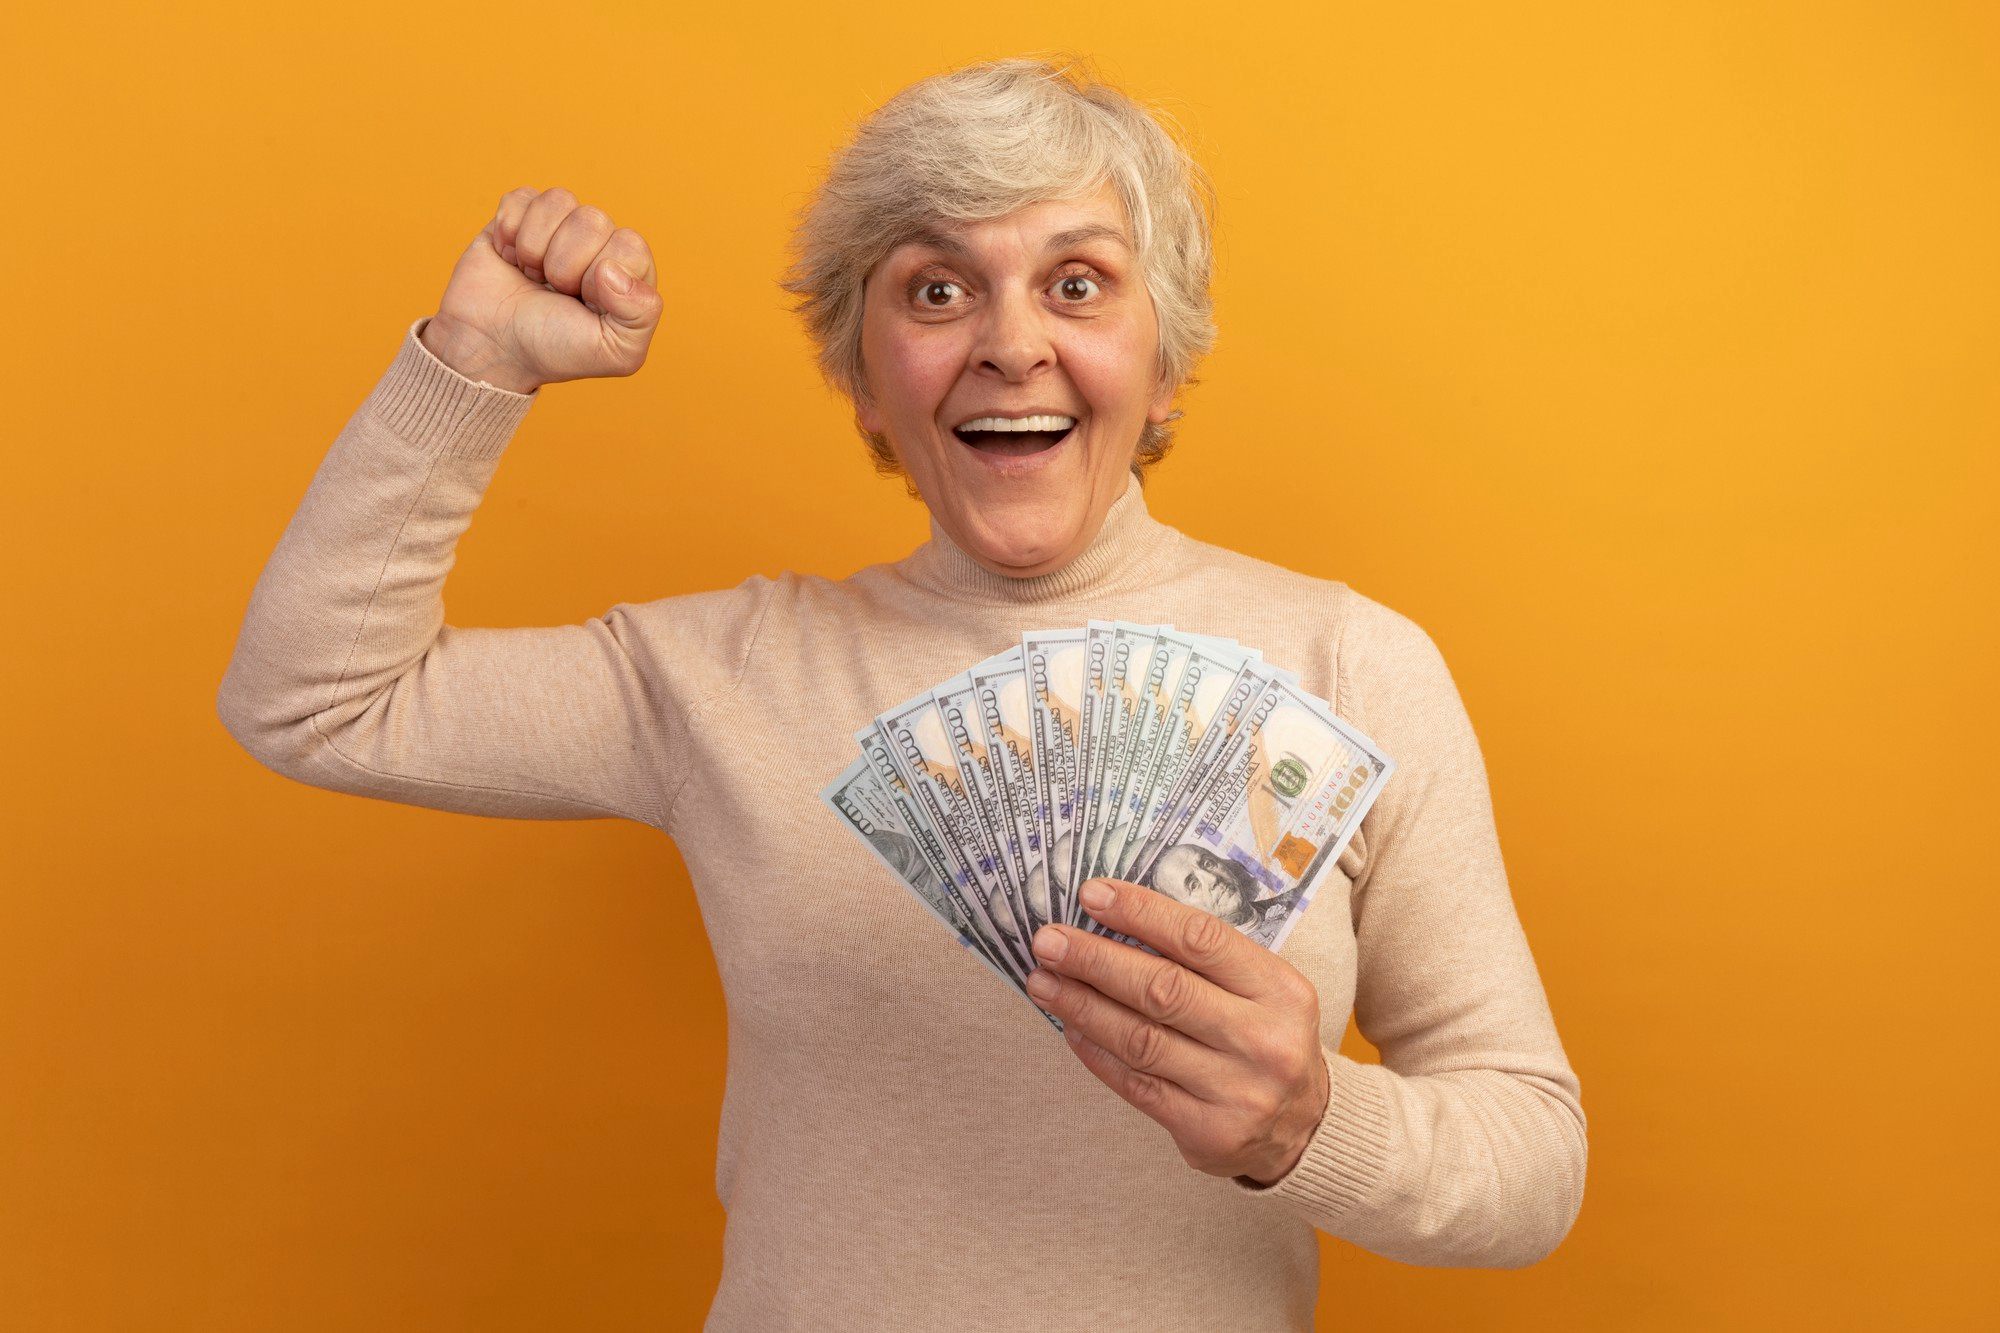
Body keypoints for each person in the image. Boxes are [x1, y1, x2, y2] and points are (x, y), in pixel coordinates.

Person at [218, 56, 1587, 1330]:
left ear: (1165, 361)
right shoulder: (725, 673)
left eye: (1078, 283)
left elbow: (1532, 1158)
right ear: (864, 383)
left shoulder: (1351, 668)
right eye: (935, 290)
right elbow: (314, 698)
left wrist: (1309, 1123)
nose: (1007, 344)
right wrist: (475, 364)